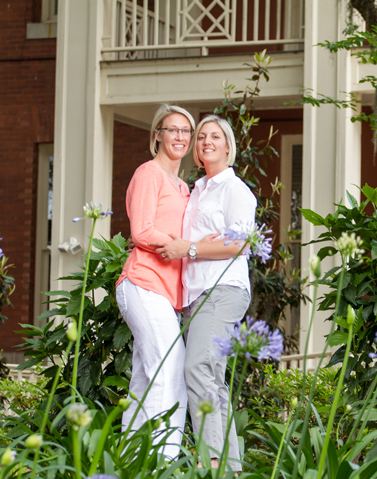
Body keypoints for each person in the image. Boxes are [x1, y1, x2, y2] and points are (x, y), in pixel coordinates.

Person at [151, 114, 256, 472]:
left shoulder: (235, 190)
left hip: (223, 289)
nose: (206, 142)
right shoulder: (197, 189)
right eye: (201, 138)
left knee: (197, 367)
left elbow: (239, 244)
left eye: (214, 136)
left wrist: (190, 249)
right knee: (211, 376)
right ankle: (231, 467)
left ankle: (212, 462)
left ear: (228, 146)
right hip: (196, 294)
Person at [115, 104, 195, 459]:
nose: (179, 136)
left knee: (145, 380)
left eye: (185, 131)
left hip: (164, 292)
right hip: (143, 282)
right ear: (157, 136)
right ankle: (163, 461)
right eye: (172, 129)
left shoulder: (182, 186)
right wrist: (179, 248)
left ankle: (129, 462)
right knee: (170, 371)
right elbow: (141, 230)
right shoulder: (149, 173)